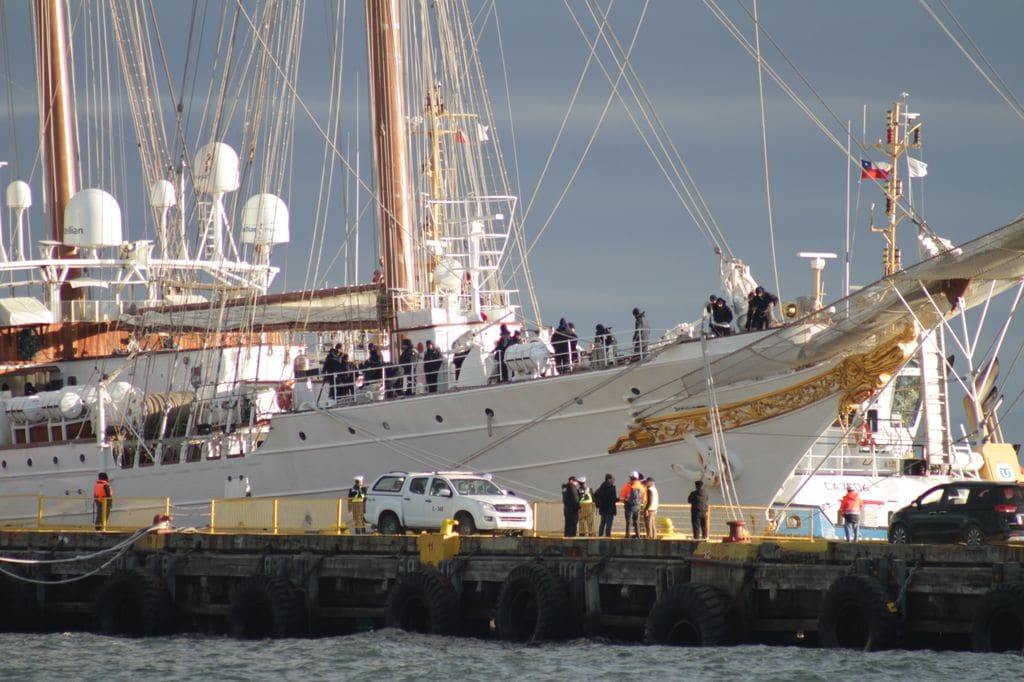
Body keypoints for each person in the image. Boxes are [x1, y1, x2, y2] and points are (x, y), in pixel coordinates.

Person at [619, 471, 646, 539]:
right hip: (637, 507)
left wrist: (625, 500)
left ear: (630, 478)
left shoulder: (627, 486)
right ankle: (638, 535)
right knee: (636, 522)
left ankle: (627, 536)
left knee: (628, 522)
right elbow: (644, 499)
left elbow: (621, 498)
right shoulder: (641, 487)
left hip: (629, 507)